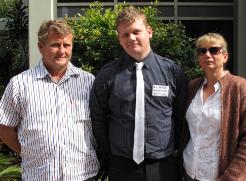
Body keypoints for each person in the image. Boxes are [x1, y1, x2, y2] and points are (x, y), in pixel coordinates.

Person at [90, 6, 188, 181]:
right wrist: (111, 153)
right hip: (121, 167)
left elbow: (180, 117)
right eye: (125, 34)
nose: (131, 38)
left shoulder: (172, 72)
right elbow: (98, 119)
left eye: (136, 31)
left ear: (149, 31)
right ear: (119, 39)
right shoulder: (107, 75)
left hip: (162, 166)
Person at [0, 19, 99, 180]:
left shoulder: (88, 82)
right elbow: (4, 127)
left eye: (66, 45)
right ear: (40, 47)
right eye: (55, 45)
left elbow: (100, 124)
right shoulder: (20, 84)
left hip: (83, 175)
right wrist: (26, 152)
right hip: (39, 175)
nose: (61, 51)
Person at [182, 33, 246, 181]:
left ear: (225, 56)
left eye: (214, 50)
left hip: (222, 175)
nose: (207, 54)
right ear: (198, 58)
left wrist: (231, 177)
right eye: (202, 51)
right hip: (190, 172)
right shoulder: (193, 87)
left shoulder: (239, 87)